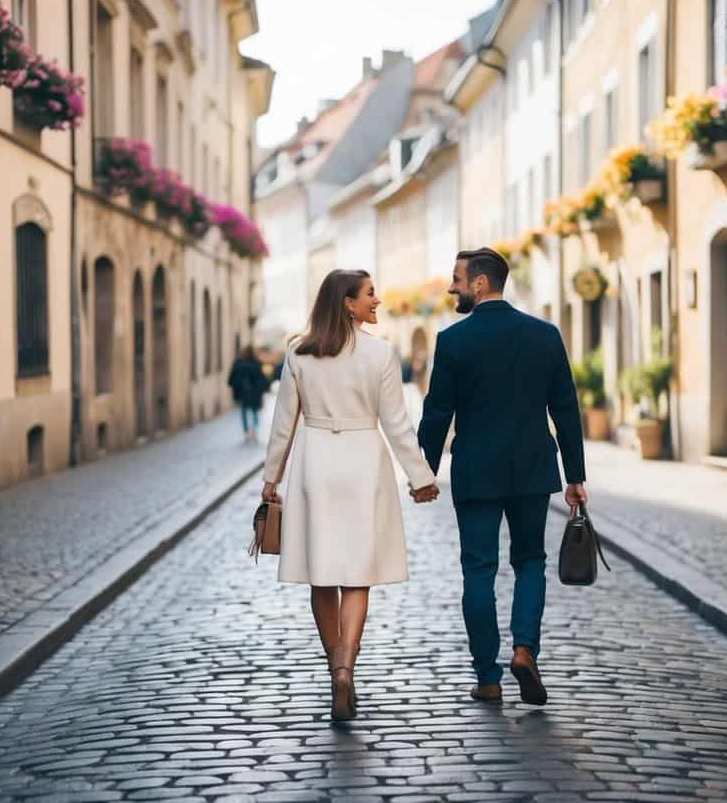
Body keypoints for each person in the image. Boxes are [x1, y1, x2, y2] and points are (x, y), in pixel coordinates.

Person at [261, 269, 440, 722]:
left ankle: (334, 668)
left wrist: (270, 480)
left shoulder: (300, 352)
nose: (377, 301)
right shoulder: (380, 353)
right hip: (363, 462)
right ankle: (348, 667)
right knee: (355, 574)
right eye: (369, 294)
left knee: (322, 574)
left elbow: (284, 422)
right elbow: (397, 424)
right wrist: (420, 477)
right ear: (347, 302)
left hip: (315, 461)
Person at [418, 247, 587, 706]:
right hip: (533, 468)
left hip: (475, 470)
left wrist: (423, 472)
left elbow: (437, 413)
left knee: (478, 570)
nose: (451, 287)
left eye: (456, 278)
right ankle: (524, 650)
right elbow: (566, 410)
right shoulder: (545, 335)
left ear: (479, 283)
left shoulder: (453, 341)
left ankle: (487, 677)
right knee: (530, 561)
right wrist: (575, 474)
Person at [228, 346, 267, 444]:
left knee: (244, 412)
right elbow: (262, 380)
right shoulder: (257, 363)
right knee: (255, 412)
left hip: (243, 393)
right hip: (255, 394)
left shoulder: (239, 363)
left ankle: (246, 433)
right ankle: (254, 431)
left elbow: (232, 379)